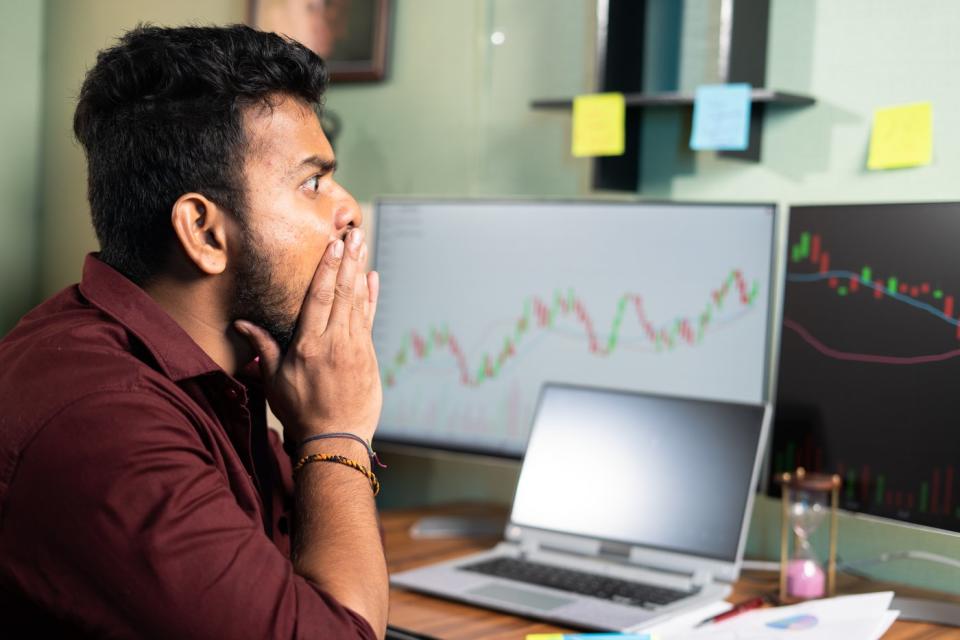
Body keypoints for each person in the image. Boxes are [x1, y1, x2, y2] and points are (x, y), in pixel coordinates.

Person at [0, 24, 388, 639]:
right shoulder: (101, 421)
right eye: (312, 183)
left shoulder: (221, 375)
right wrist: (337, 433)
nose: (348, 209)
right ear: (204, 234)